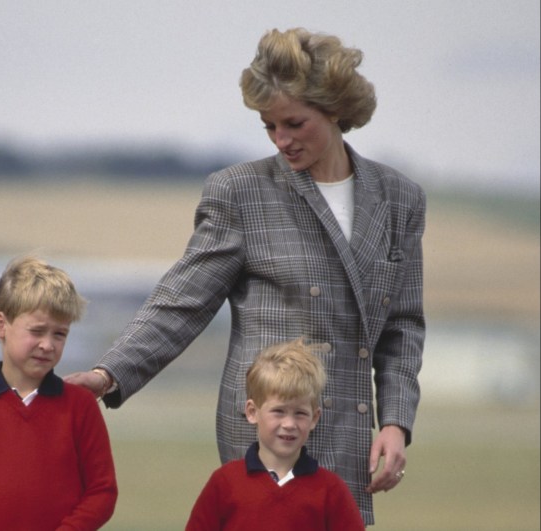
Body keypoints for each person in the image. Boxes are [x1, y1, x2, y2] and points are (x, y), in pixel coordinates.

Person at [67, 26, 425, 526]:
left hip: (347, 427)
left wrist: (396, 421)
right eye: (269, 126)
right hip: (263, 431)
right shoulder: (240, 193)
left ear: (336, 109)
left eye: (295, 123)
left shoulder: (400, 198)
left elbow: (403, 325)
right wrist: (108, 374)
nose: (282, 140)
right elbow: (182, 301)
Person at [0, 256, 118, 531]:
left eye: (59, 334)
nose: (47, 344)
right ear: (0, 325)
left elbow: (102, 492)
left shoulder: (81, 406)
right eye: (37, 331)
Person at [185, 338, 365, 530]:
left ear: (314, 417)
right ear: (253, 412)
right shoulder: (225, 483)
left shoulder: (331, 490)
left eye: (300, 413)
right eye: (279, 411)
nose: (289, 424)